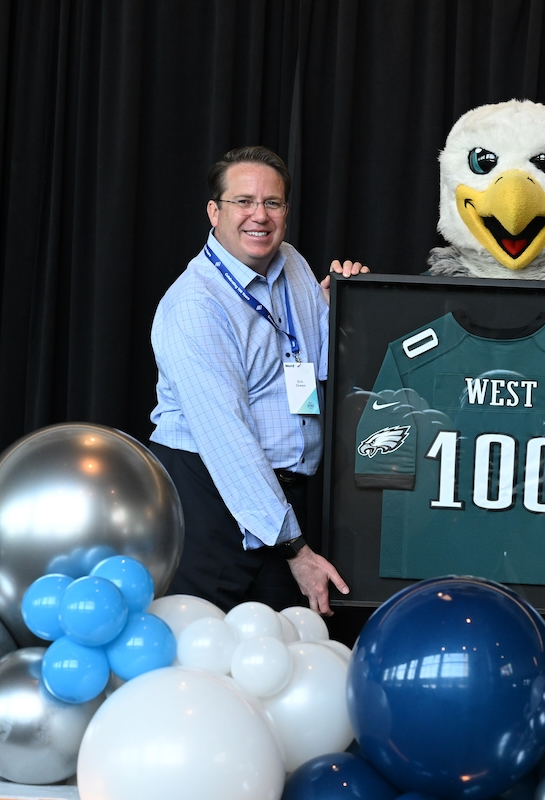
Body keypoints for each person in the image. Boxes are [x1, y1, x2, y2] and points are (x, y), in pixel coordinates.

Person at [149, 145, 367, 616]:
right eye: (243, 201)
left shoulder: (291, 263)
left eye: (272, 203)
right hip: (211, 498)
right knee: (202, 656)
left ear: (285, 211)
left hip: (284, 499)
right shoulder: (195, 305)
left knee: (280, 657)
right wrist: (297, 551)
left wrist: (351, 308)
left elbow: (318, 365)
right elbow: (228, 440)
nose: (259, 216)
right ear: (215, 211)